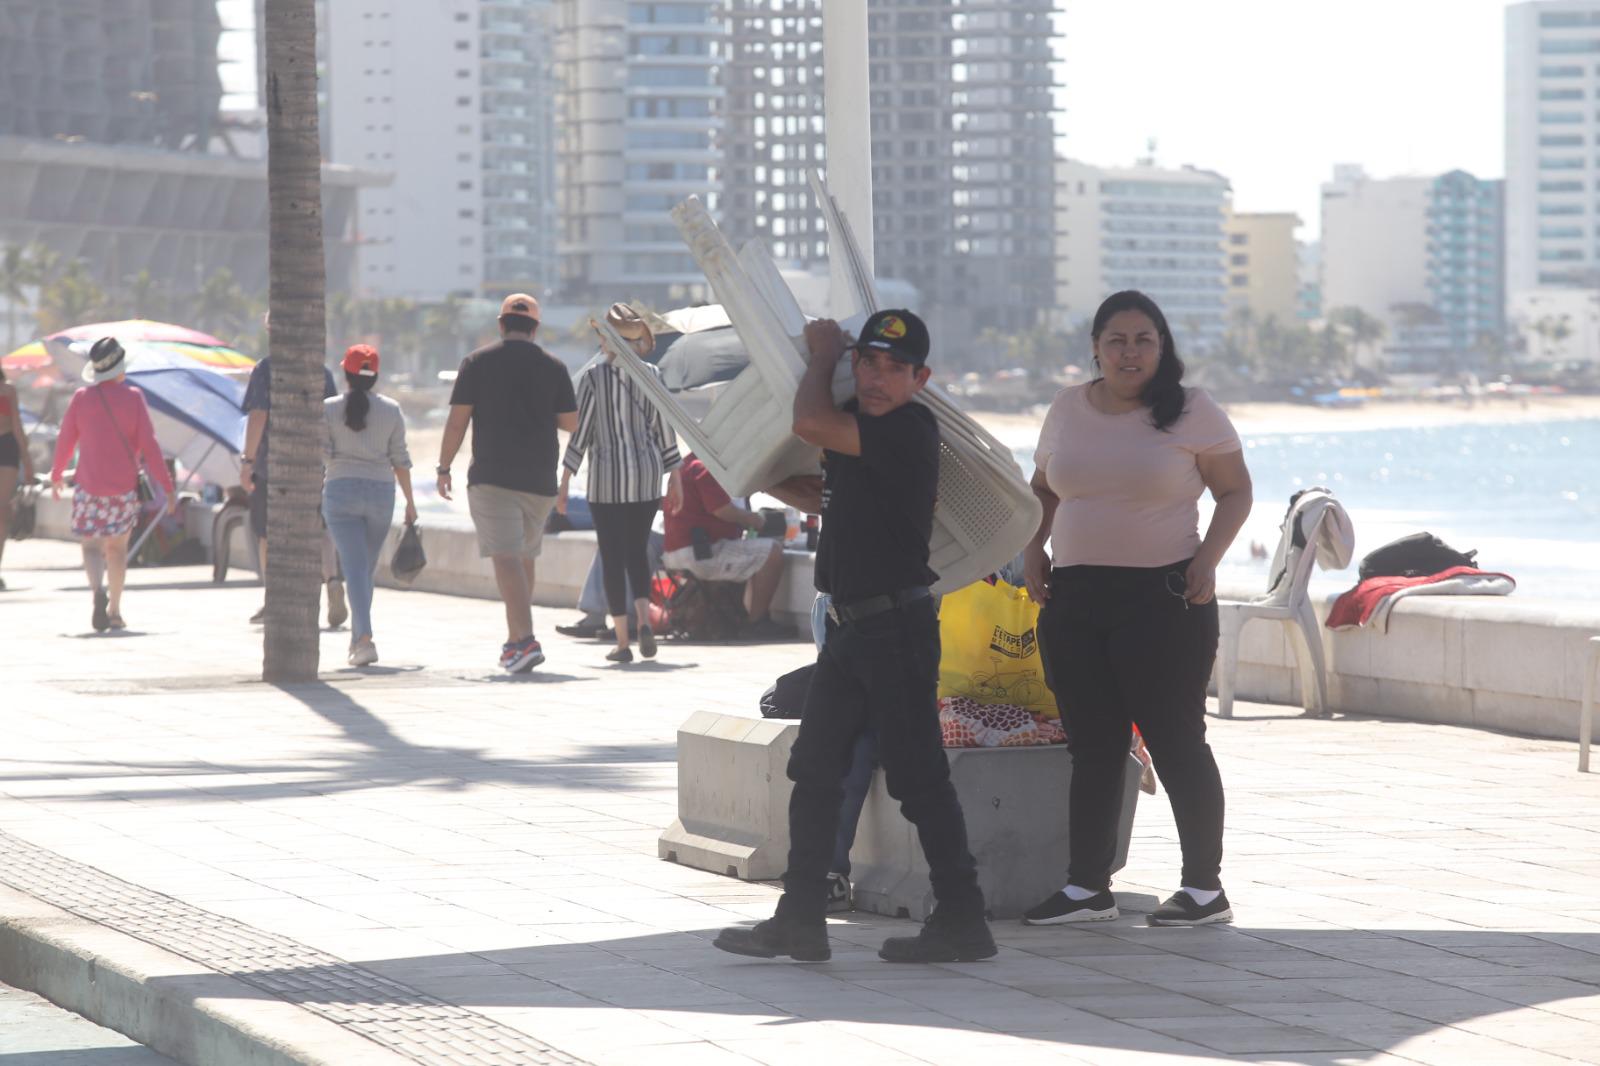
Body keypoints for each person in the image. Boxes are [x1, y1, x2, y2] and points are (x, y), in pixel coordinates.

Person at [715, 309, 995, 965]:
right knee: (813, 770)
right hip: (851, 625)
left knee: (918, 778)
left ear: (919, 379)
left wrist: (819, 357)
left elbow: (810, 423)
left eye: (895, 367)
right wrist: (750, 469)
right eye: (868, 361)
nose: (878, 376)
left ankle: (962, 917)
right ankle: (801, 918)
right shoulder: (866, 433)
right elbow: (827, 493)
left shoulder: (906, 427)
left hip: (893, 627)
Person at [1021, 290, 1252, 929]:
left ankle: (1205, 890)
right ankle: (1087, 887)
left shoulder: (1194, 412)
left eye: (1143, 339)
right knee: (1093, 746)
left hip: (1165, 600)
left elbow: (1235, 492)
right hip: (1075, 598)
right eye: (1117, 340)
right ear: (1095, 347)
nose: (1130, 352)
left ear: (1162, 347)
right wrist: (1031, 547)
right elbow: (1042, 489)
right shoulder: (1067, 408)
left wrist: (1208, 559)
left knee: (1177, 741)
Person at [438, 293, 578, 673]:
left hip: (492, 477)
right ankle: (515, 641)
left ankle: (525, 640)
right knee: (523, 557)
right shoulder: (554, 366)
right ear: (535, 328)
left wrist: (443, 467)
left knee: (505, 557)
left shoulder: (476, 362)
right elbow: (571, 423)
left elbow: (457, 421)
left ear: (501, 324)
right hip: (539, 480)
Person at [559, 303, 681, 664]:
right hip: (646, 477)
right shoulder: (653, 374)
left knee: (612, 557)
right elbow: (665, 427)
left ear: (608, 340)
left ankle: (624, 642)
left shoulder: (596, 378)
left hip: (606, 482)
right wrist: (675, 476)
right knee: (636, 552)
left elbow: (581, 434)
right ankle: (645, 620)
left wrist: (565, 478)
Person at [49, 338, 177, 631]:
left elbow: (66, 438)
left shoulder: (81, 398)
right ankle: (115, 610)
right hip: (123, 488)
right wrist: (167, 488)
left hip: (88, 485)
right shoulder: (133, 398)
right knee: (117, 550)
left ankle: (97, 592)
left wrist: (57, 474)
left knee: (91, 547)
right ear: (119, 369)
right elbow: (150, 445)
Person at [240, 328, 346, 628]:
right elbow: (331, 418)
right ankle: (333, 580)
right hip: (312, 466)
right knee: (320, 528)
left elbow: (258, 416)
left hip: (270, 465)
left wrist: (247, 462)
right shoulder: (320, 372)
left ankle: (272, 597)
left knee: (266, 534)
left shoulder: (265, 369)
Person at [321, 344, 417, 667]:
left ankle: (364, 640)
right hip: (381, 493)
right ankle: (359, 639)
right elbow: (400, 460)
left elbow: (323, 453)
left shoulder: (329, 409)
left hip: (340, 491)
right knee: (364, 569)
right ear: (375, 376)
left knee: (355, 567)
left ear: (346, 374)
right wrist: (411, 503)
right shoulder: (392, 410)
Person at [662, 453, 789, 639]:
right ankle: (757, 622)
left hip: (676, 553)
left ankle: (743, 616)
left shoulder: (685, 465)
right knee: (772, 552)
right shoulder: (704, 467)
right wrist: (753, 520)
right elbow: (721, 510)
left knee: (752, 551)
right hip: (700, 554)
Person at [0, 364, 34, 590]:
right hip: (8, 446)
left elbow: (17, 428)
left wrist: (28, 464)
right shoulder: (8, 390)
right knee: (2, 511)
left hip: (7, 447)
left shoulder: (8, 390)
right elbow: (18, 428)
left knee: (2, 510)